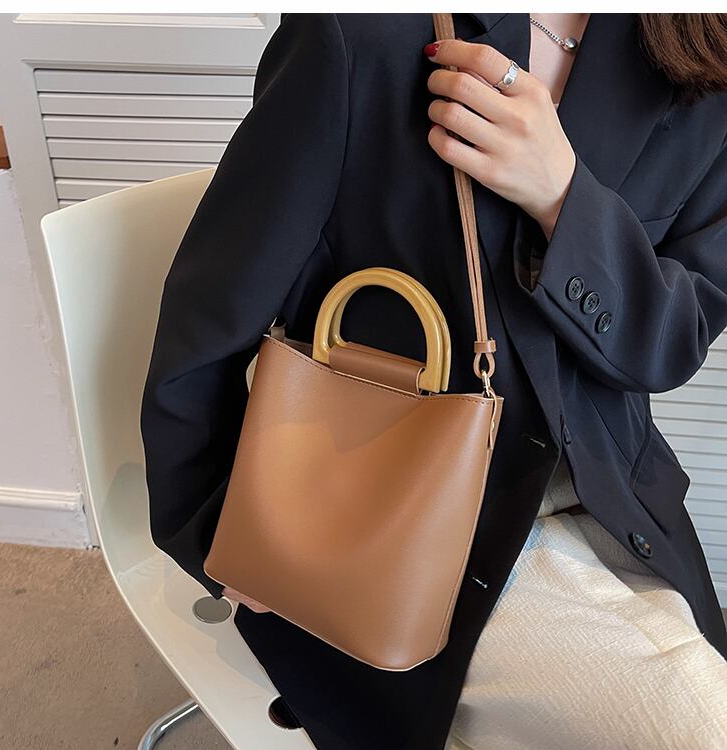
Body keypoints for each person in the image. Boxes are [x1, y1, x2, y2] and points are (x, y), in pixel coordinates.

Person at [140, 13, 727, 750]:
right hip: (389, 515)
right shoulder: (365, 32)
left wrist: (562, 198)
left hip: (612, 499)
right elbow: (211, 312)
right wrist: (218, 529)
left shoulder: (703, 56)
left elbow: (672, 341)